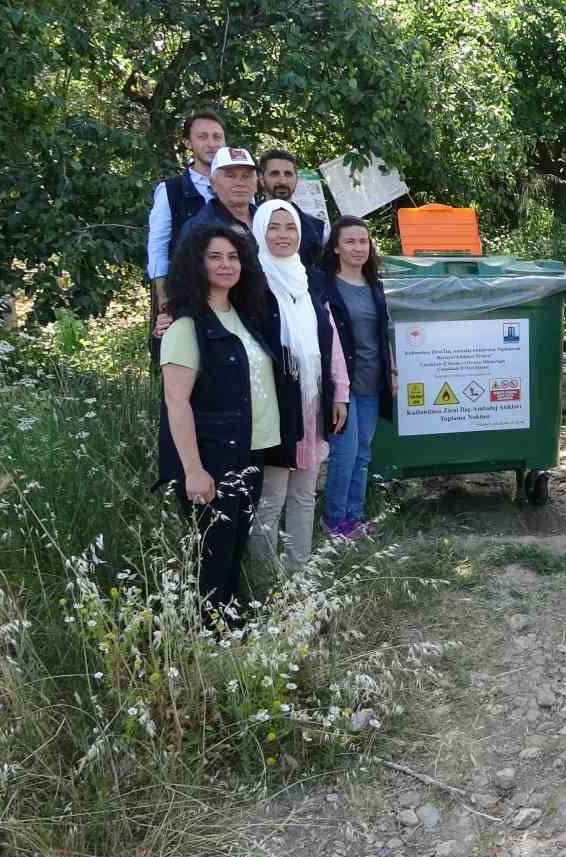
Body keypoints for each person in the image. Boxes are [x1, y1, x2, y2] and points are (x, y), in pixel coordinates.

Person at [156, 224, 299, 629]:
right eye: (215, 256)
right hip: (214, 457)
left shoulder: (243, 316)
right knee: (212, 555)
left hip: (250, 451)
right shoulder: (187, 326)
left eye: (233, 256)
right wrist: (194, 471)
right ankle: (208, 638)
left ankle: (230, 629)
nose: (226, 264)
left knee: (234, 547)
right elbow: (175, 402)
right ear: (195, 265)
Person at [248, 200, 349, 572]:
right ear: (260, 231)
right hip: (275, 406)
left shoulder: (308, 283)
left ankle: (298, 570)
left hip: (311, 403)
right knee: (271, 496)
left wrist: (340, 393)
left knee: (304, 493)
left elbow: (331, 341)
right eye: (273, 227)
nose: (282, 235)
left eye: (289, 227)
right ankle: (265, 576)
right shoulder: (250, 284)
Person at [314, 217, 395, 538]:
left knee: (362, 453)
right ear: (335, 246)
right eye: (350, 241)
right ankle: (333, 519)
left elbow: (381, 332)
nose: (358, 248)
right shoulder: (323, 286)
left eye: (363, 241)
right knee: (344, 454)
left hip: (372, 383)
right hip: (341, 388)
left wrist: (391, 369)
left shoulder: (374, 285)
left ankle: (354, 515)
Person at [146, 110, 226, 321]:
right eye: (202, 137)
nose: (211, 143)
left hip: (230, 295)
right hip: (184, 295)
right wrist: (164, 300)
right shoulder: (171, 190)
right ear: (188, 142)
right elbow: (158, 247)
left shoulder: (239, 188)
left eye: (217, 137)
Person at [178, 147, 261, 252]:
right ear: (213, 183)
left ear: (256, 183)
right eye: (230, 176)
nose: (240, 183)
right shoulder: (199, 228)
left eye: (246, 176)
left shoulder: (268, 219)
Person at [258, 149, 331, 264]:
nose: (282, 181)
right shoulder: (247, 221)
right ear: (262, 179)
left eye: (288, 174)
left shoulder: (317, 229)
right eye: (274, 174)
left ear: (296, 179)